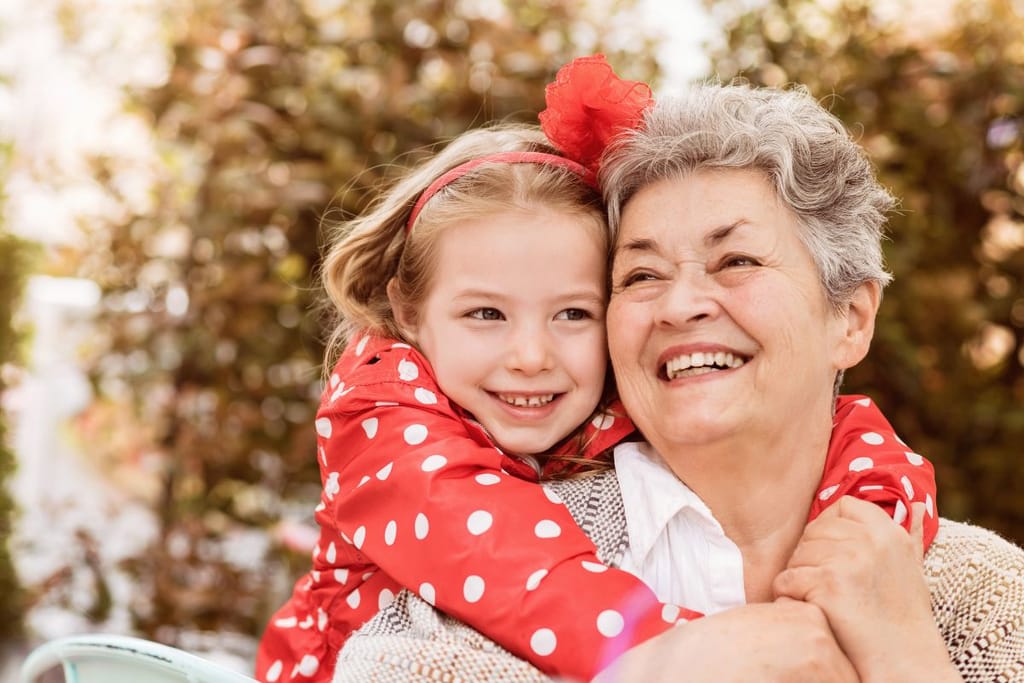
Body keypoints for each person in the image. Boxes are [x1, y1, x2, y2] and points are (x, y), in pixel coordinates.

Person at [330, 60, 1024, 683]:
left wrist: (908, 658)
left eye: (736, 261)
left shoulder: (982, 596)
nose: (682, 304)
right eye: (641, 274)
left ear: (852, 317)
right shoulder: (485, 561)